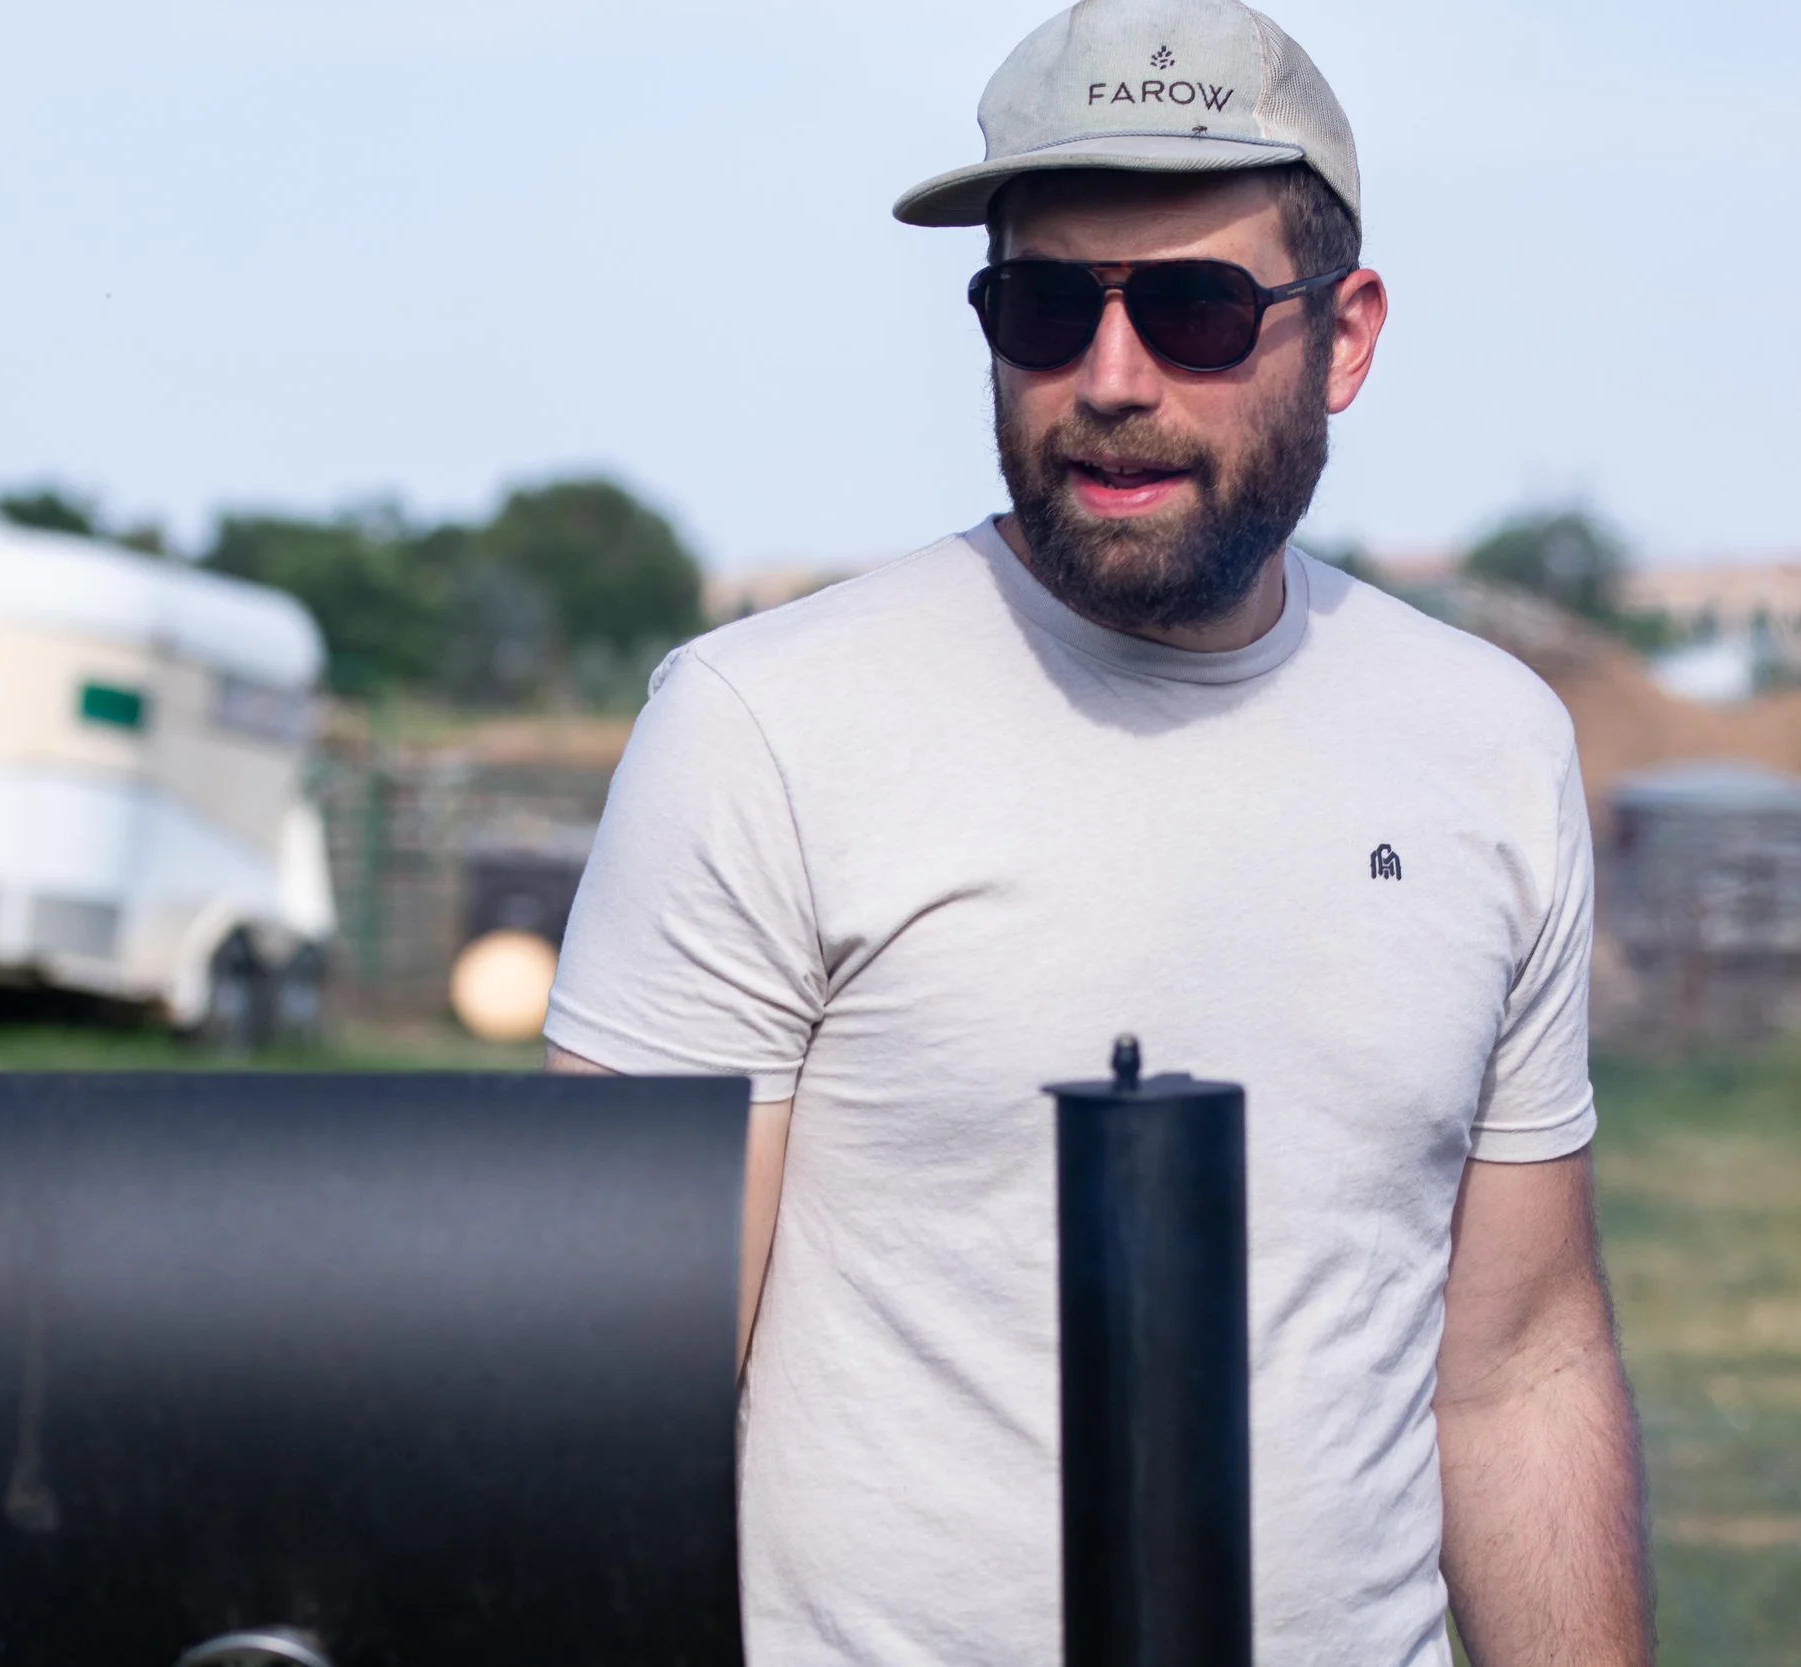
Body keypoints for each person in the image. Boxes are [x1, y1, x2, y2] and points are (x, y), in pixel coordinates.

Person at [545, 0, 1652, 1660]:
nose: (1112, 379)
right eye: (1047, 304)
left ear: (1345, 337)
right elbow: (603, 1400)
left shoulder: (1485, 744)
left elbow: (1520, 1366)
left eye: (1198, 310)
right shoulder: (764, 728)